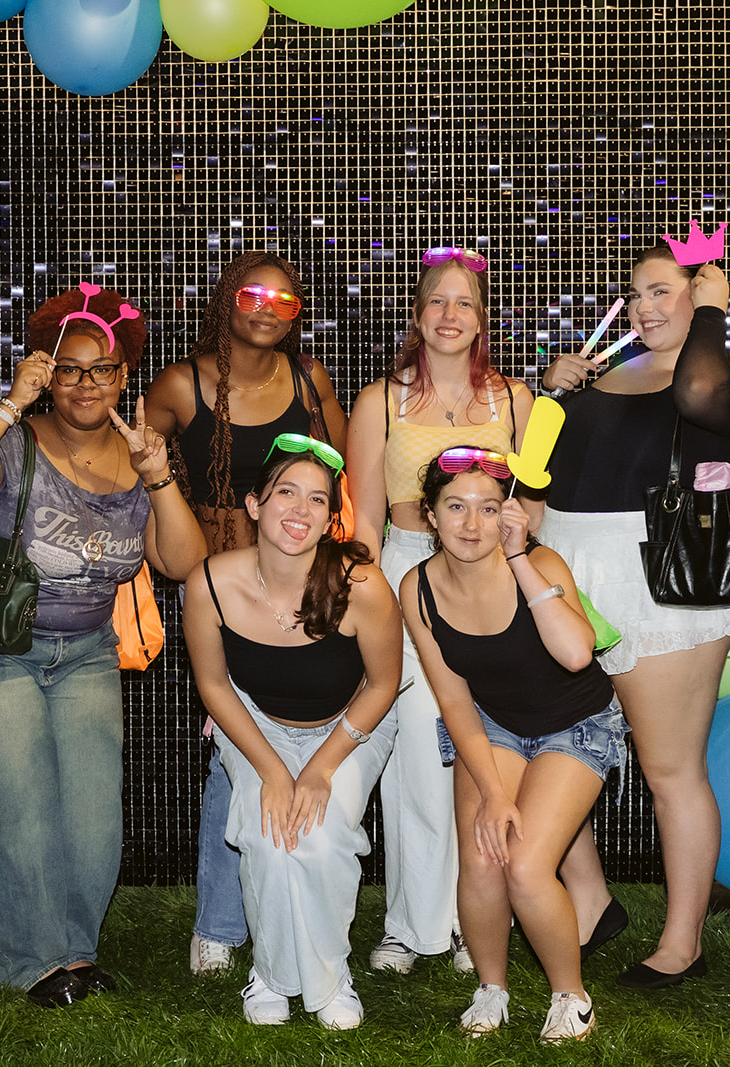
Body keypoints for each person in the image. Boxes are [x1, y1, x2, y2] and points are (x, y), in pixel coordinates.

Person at [0, 286, 205, 1008]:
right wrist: (11, 404)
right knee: (17, 800)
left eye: (101, 369)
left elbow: (180, 561)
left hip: (84, 651)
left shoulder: (143, 458)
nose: (84, 384)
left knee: (92, 808)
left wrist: (158, 474)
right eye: (70, 369)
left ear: (123, 376)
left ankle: (75, 950)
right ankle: (30, 959)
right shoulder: (17, 443)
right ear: (48, 371)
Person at [536, 246, 730, 987]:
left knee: (668, 769)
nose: (643, 307)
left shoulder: (716, 380)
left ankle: (682, 943)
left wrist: (712, 309)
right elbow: (536, 472)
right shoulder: (603, 374)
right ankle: (594, 899)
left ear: (701, 300)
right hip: (569, 574)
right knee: (544, 741)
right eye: (634, 293)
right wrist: (553, 393)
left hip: (663, 578)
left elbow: (698, 393)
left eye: (662, 291)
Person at [144, 252, 348, 976]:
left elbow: (335, 484)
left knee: (255, 750)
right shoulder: (180, 384)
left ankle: (249, 916)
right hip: (221, 592)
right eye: (255, 293)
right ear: (227, 298)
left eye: (286, 301)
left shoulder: (309, 379)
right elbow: (134, 464)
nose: (268, 307)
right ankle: (222, 924)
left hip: (299, 593)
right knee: (232, 750)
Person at [345, 246, 536, 974]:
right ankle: (410, 924)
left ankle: (471, 919)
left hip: (492, 586)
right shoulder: (378, 401)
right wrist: (358, 597)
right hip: (409, 574)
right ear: (418, 316)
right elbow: (362, 518)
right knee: (420, 755)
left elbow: (532, 502)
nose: (450, 316)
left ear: (482, 320)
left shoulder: (514, 401)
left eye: (465, 304)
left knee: (487, 752)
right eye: (437, 302)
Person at [402, 447, 626, 1043]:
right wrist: (495, 792)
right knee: (481, 857)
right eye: (455, 507)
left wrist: (521, 557)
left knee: (526, 866)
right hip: (492, 723)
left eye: (487, 508)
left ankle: (570, 995)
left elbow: (577, 655)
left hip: (576, 723)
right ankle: (491, 989)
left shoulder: (541, 560)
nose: (472, 525)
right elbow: (453, 702)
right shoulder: (416, 588)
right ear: (429, 515)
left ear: (508, 514)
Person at [182, 435, 401, 1029]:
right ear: (254, 504)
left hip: (352, 725)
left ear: (332, 518)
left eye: (317, 501)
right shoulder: (209, 584)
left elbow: (383, 686)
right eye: (286, 494)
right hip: (254, 724)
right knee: (269, 833)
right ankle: (274, 976)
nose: (299, 512)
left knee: (322, 838)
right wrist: (275, 773)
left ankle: (330, 979)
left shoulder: (362, 586)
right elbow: (216, 686)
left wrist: (320, 769)